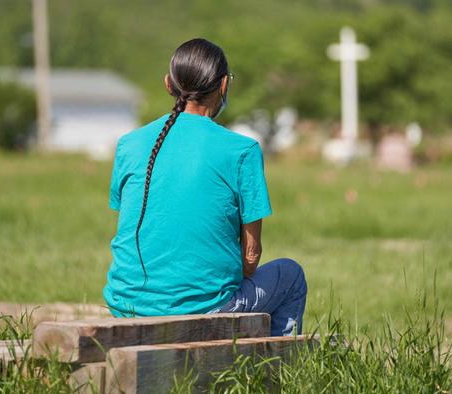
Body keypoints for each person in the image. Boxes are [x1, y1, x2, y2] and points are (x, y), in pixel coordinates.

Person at [103, 38, 307, 336]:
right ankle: (273, 372)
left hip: (125, 306)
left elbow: (141, 227)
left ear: (168, 85)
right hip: (203, 309)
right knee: (291, 275)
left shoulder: (129, 144)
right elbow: (250, 257)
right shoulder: (242, 150)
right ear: (223, 85)